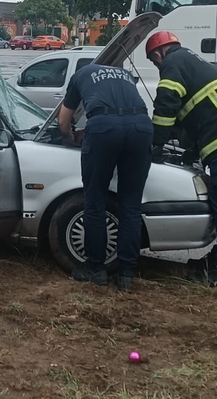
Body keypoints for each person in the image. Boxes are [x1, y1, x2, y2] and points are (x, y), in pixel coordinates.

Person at [146, 31, 217, 288]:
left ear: (157, 54)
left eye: (155, 64)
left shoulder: (172, 63)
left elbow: (166, 105)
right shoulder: (191, 60)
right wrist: (192, 148)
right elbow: (197, 108)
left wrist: (155, 143)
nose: (158, 68)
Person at [58, 63, 153, 292]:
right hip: (141, 128)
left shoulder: (79, 76)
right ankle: (126, 275)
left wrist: (72, 137)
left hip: (103, 129)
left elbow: (63, 121)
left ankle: (95, 268)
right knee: (131, 205)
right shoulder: (125, 75)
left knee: (95, 202)